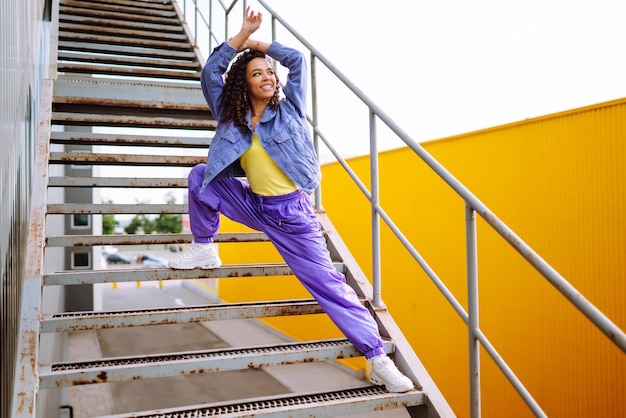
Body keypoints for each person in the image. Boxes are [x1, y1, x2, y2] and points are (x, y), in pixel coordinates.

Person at [168, 6, 414, 393]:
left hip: (293, 215)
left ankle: (377, 359)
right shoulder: (230, 115)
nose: (267, 77)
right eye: (257, 72)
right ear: (243, 83)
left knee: (331, 287)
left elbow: (297, 60)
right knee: (201, 176)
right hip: (256, 205)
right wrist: (237, 40)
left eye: (269, 72)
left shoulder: (290, 109)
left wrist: (255, 40)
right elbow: (210, 72)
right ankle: (204, 248)